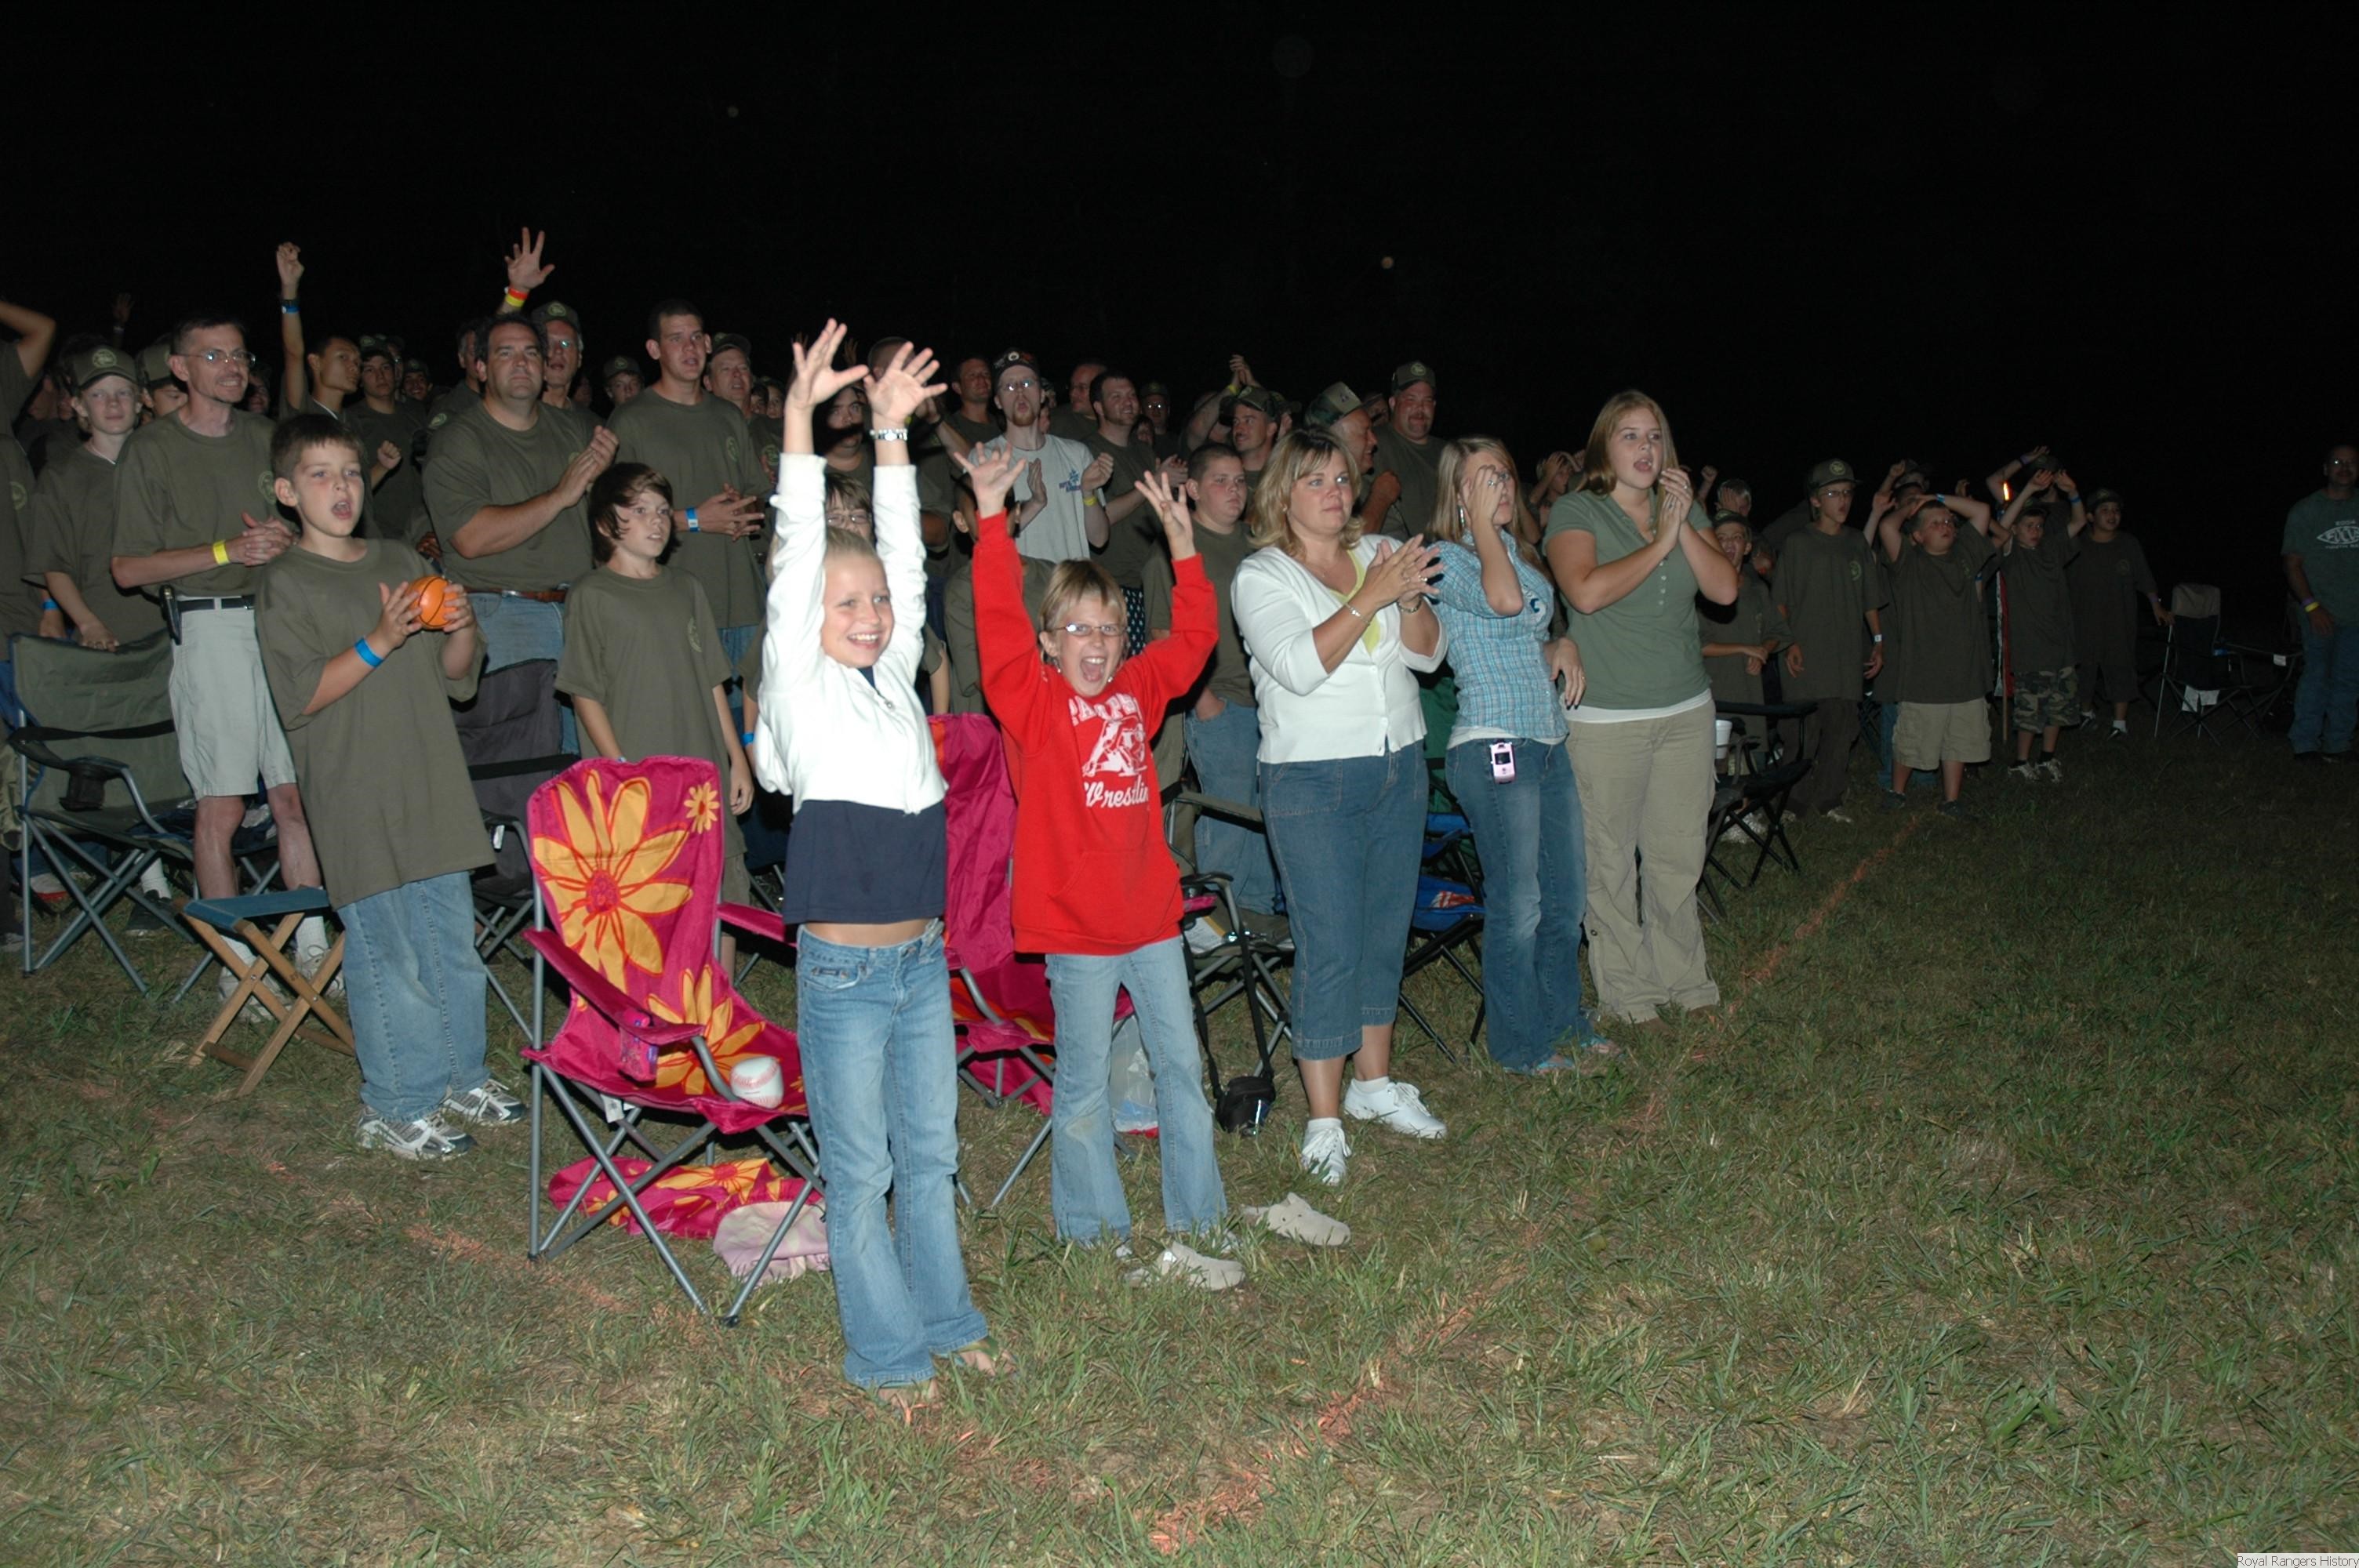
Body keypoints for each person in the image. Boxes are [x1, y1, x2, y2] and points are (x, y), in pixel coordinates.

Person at [750, 321, 994, 1407]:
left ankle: (947, 1319)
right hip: (846, 976)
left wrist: (893, 435)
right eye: (844, 604)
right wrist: (800, 422)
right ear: (805, 618)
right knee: (864, 1172)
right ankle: (887, 1355)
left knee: (931, 1158)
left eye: (877, 604)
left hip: (920, 965)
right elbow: (801, 544)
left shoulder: (892, 677)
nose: (869, 614)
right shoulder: (800, 687)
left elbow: (904, 555)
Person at [966, 448, 1239, 1287]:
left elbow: (1195, 637)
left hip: (1151, 920)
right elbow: (995, 624)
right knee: (1082, 1085)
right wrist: (990, 519)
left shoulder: (1138, 692)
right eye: (1077, 629)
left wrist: (1185, 546)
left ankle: (1201, 1217)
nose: (1095, 643)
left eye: (1108, 629)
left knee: (1181, 1070)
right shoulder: (1032, 702)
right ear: (1049, 642)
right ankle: (1091, 1231)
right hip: (1078, 933)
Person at [253, 415, 518, 1159]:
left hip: (428, 779)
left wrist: (459, 626)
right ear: (286, 492)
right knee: (388, 954)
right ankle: (397, 1102)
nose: (341, 487)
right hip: (355, 792)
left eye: (350, 471)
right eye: (319, 474)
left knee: (451, 942)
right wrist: (381, 638)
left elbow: (457, 676)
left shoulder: (400, 557)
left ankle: (461, 1074)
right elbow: (301, 695)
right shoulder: (285, 582)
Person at [1231, 428, 1452, 1186]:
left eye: (1341, 478)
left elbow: (1427, 654)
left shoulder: (1379, 552)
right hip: (1313, 777)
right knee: (1330, 942)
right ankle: (1323, 1120)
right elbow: (1297, 667)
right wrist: (1373, 596)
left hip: (1399, 763)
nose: (1334, 492)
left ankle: (1374, 1085)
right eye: (1315, 480)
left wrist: (1409, 598)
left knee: (1384, 929)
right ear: (1282, 493)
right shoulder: (1262, 575)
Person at [111, 314, 333, 987]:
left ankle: (313, 949)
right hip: (209, 628)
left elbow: (313, 530)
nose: (232, 367)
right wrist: (226, 550)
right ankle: (237, 965)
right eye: (213, 356)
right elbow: (127, 569)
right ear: (180, 369)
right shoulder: (152, 449)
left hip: (280, 624)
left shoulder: (267, 440)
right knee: (224, 803)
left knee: (294, 796)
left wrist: (289, 541)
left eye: (238, 355)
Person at [1542, 391, 1737, 1029]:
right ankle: (1627, 992)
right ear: (1605, 445)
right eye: (1629, 436)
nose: (1645, 448)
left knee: (1678, 855)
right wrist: (1661, 542)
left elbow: (1724, 589)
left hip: (1686, 708)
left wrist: (1681, 523)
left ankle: (1685, 978)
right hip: (1607, 719)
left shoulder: (1682, 507)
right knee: (1611, 861)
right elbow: (1585, 592)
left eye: (1654, 436)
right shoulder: (1577, 510)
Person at [1427, 437, 1616, 1076]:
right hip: (1493, 744)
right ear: (1458, 493)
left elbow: (1518, 634)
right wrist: (1480, 525)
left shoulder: (1516, 556)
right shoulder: (1446, 557)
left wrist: (1561, 645)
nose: (1502, 487)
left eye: (1504, 475)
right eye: (1484, 479)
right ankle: (1520, 1047)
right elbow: (1503, 603)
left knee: (1565, 899)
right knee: (1519, 903)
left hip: (1547, 742)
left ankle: (1566, 1024)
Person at [558, 463, 755, 971]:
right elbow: (584, 692)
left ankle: (717, 1000)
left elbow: (713, 679)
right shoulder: (592, 595)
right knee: (651, 895)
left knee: (719, 884)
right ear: (607, 523)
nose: (657, 521)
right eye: (640, 510)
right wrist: (620, 768)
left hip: (702, 768)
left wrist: (736, 758)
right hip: (640, 771)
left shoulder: (687, 587)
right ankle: (659, 1001)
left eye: (664, 510)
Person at [424, 315, 616, 691]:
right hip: (504, 616)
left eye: (531, 353)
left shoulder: (577, 429)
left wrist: (603, 485)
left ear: (544, 367)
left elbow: (607, 526)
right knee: (524, 732)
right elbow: (469, 538)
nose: (521, 363)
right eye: (505, 353)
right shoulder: (457, 440)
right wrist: (560, 495)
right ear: (481, 368)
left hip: (583, 610)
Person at [1142, 444, 1281, 930]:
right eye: (1220, 480)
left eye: (1240, 480)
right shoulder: (1176, 549)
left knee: (1263, 812)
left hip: (1268, 699)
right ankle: (1214, 921)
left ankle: (1256, 920)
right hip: (1219, 701)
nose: (1234, 490)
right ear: (1194, 489)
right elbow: (1162, 637)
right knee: (1230, 813)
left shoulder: (1258, 544)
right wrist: (1204, 702)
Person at [609, 302, 772, 667]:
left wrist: (743, 511)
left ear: (708, 343)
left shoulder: (728, 416)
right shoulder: (631, 420)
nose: (690, 348)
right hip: (675, 602)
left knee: (753, 704)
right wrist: (696, 519)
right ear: (654, 349)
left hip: (743, 599)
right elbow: (615, 521)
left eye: (696, 337)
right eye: (676, 339)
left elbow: (756, 495)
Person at [1771, 459, 1888, 820]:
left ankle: (1830, 799)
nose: (1843, 500)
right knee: (1802, 733)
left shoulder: (1856, 543)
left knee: (1842, 731)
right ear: (1816, 500)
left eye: (1847, 492)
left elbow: (1869, 599)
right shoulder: (1798, 542)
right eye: (1834, 493)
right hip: (1806, 655)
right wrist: (1789, 644)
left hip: (1845, 655)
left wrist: (1879, 640)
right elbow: (1780, 601)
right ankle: (1792, 802)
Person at [31, 346, 162, 650]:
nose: (113, 403)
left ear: (140, 401)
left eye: (123, 393)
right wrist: (88, 623)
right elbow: (53, 565)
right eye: (98, 394)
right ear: (79, 405)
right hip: (106, 635)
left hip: (173, 632)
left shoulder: (163, 463)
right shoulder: (60, 477)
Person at [1875, 488, 1996, 816]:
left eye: (1949, 522)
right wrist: (1912, 507)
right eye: (1935, 523)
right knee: (1913, 738)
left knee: (1960, 737)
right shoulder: (1909, 562)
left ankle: (1951, 800)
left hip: (1965, 671)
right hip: (1923, 673)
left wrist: (1938, 499)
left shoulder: (1965, 554)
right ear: (1917, 536)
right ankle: (1897, 792)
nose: (1946, 526)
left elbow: (1982, 511)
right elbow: (1887, 527)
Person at [1991, 470, 2087, 779]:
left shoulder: (2052, 549)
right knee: (2031, 709)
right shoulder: (2012, 555)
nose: (2035, 531)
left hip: (2062, 646)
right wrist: (2029, 490)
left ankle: (2047, 757)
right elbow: (2000, 528)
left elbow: (2079, 523)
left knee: (2059, 706)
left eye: (2039, 526)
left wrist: (2073, 492)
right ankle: (2021, 762)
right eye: (2029, 526)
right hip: (2032, 650)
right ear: (2016, 529)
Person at [973, 351, 1110, 564]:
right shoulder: (985, 460)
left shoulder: (1077, 453)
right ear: (998, 401)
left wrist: (1088, 493)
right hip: (1020, 583)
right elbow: (984, 541)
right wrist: (1035, 503)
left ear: (1041, 394)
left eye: (1027, 383)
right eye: (1009, 386)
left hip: (1070, 583)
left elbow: (1100, 539)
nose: (1020, 391)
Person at [2066, 486, 2166, 738]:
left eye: (2116, 511)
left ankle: (2119, 724)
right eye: (2105, 510)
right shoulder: (2078, 545)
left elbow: (2145, 578)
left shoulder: (2128, 544)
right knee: (2084, 669)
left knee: (2121, 667)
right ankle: (2086, 712)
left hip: (2119, 622)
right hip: (2083, 621)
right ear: (2090, 516)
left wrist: (2156, 606)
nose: (2112, 515)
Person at [2281, 443, 2359, 762]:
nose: (2345, 468)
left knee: (2349, 680)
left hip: (2355, 614)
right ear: (2326, 469)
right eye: (2338, 462)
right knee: (2317, 676)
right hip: (2319, 611)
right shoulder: (2306, 510)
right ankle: (2305, 744)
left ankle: (2338, 744)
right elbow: (2292, 564)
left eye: (2351, 463)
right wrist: (2312, 606)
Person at [1697, 514, 1789, 708]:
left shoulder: (1757, 590)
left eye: (1737, 537)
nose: (1729, 543)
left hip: (1751, 694)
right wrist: (1744, 648)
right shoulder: (1700, 590)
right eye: (1721, 538)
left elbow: (1777, 631)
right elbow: (1696, 646)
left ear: (1747, 547)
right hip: (1713, 696)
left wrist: (1763, 651)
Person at [1367, 361, 1441, 539]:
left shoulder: (1450, 452)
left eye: (1427, 401)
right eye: (1411, 399)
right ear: (1393, 403)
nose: (1420, 408)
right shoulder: (1371, 445)